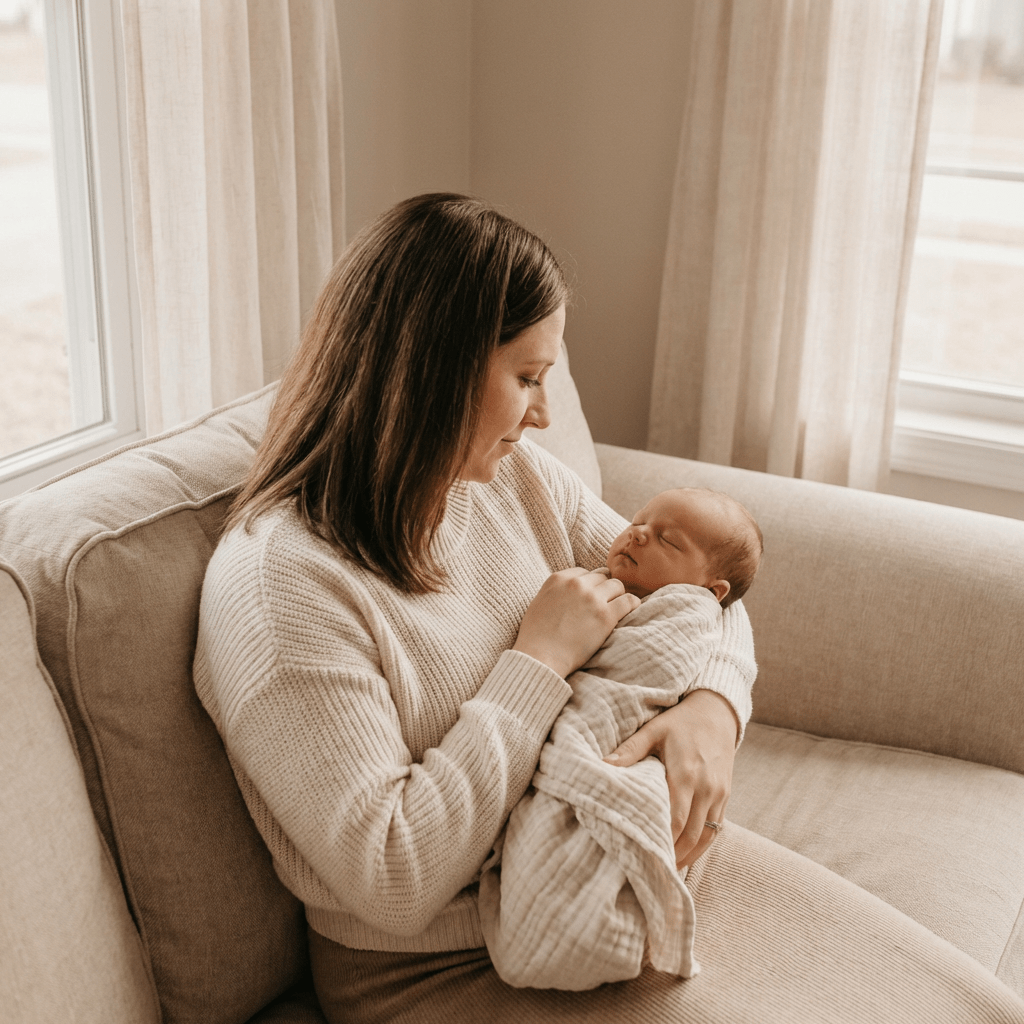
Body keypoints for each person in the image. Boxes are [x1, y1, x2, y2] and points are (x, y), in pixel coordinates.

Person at [193, 194, 987, 1024]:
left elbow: (699, 598)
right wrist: (537, 663)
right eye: (528, 379)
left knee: (950, 1002)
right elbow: (396, 877)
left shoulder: (508, 480)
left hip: (616, 860)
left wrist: (714, 710)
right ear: (432, 370)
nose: (542, 415)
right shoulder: (281, 590)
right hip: (449, 964)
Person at [478, 489, 763, 991]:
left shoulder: (684, 607)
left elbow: (722, 612)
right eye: (638, 522)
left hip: (634, 762)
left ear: (710, 589)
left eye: (665, 539)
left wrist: (712, 706)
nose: (635, 533)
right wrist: (543, 658)